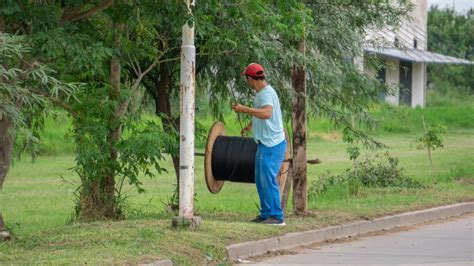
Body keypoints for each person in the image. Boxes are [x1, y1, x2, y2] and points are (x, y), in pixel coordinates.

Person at [232, 63, 287, 226]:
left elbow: (267, 113)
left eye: (246, 79)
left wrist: (244, 109)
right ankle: (265, 214)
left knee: (268, 180)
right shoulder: (262, 93)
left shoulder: (265, 94)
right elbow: (264, 115)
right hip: (265, 144)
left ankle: (277, 216)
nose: (246, 82)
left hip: (272, 145)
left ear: (250, 78)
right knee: (260, 180)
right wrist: (251, 126)